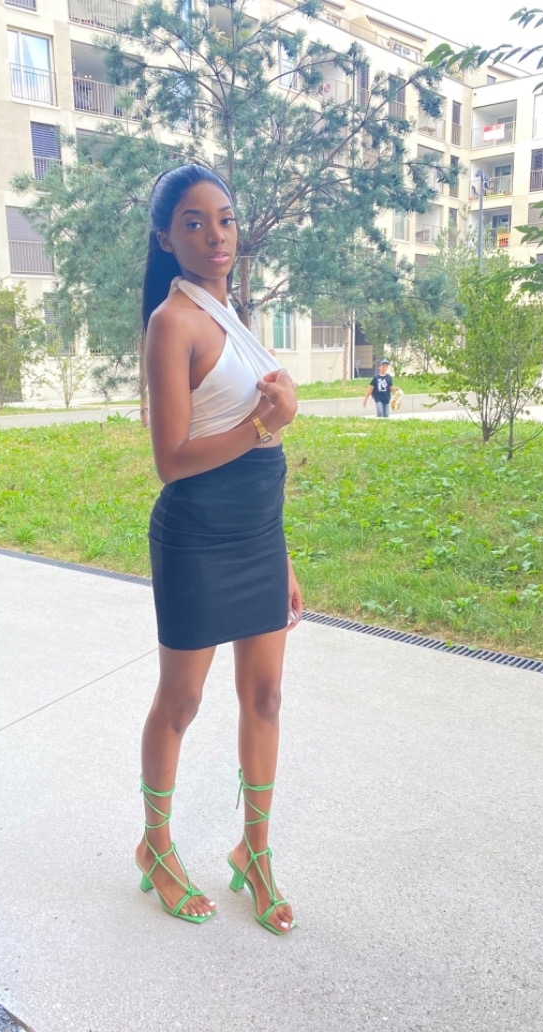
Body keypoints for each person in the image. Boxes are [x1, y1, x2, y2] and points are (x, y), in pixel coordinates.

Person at [136, 164, 302, 936]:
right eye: (194, 223)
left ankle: (253, 852)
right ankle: (155, 846)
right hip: (197, 537)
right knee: (182, 701)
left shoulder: (230, 312)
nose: (215, 236)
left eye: (225, 220)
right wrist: (264, 424)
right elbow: (171, 459)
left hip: (257, 536)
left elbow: (259, 450)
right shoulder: (172, 323)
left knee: (264, 697)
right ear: (165, 238)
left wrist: (283, 556)